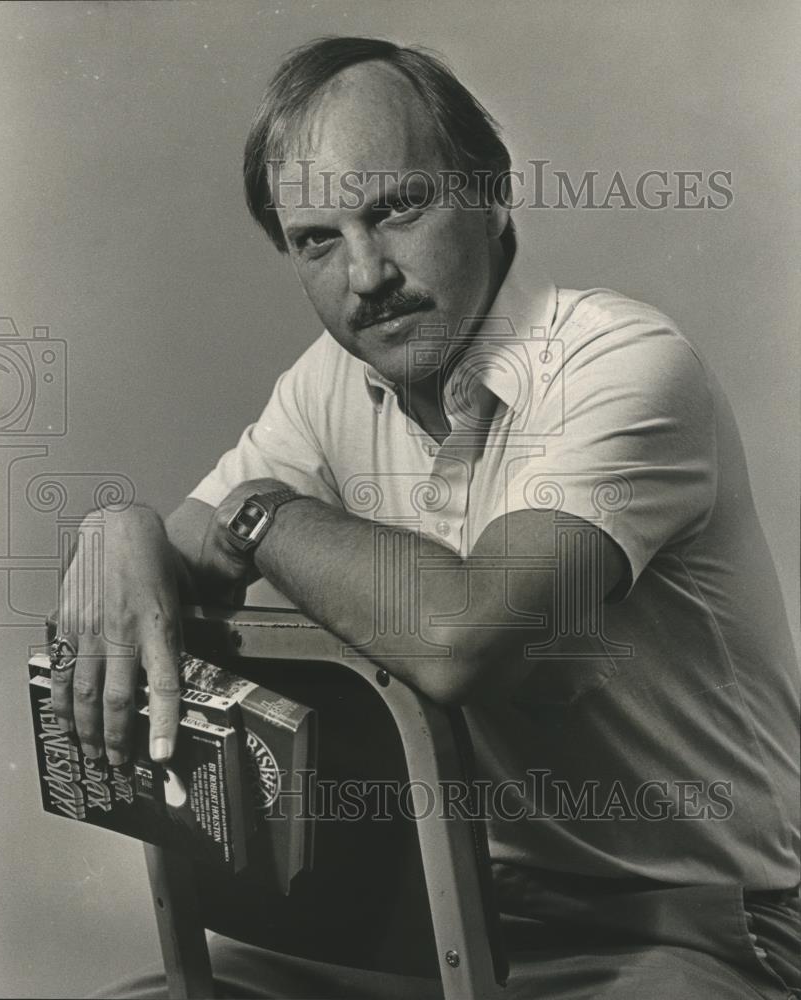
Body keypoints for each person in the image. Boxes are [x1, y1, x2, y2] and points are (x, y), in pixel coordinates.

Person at [51, 36, 799, 1000]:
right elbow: (187, 549)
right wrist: (119, 528)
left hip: (697, 930)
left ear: (489, 189)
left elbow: (468, 640)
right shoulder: (332, 383)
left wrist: (260, 510)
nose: (366, 277)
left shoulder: (619, 362)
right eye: (318, 240)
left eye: (396, 208)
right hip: (450, 915)